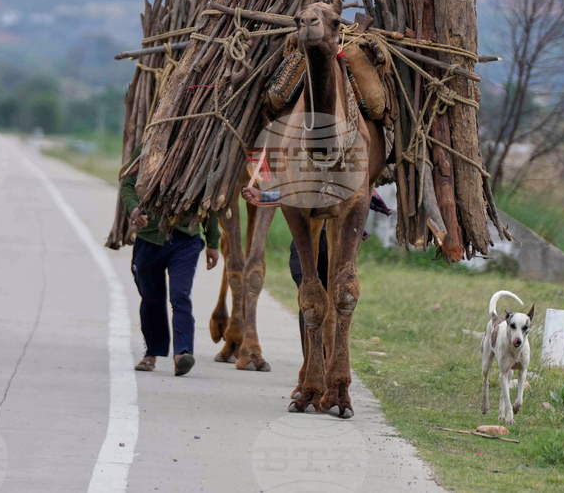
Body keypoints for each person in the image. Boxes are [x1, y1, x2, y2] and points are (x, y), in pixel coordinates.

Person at [240, 186, 390, 349]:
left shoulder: (349, 183)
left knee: (328, 302)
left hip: (333, 250)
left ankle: (323, 360)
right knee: (310, 302)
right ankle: (312, 363)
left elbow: (357, 199)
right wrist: (264, 196)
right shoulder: (311, 178)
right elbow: (297, 193)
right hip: (304, 248)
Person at [121, 144, 220, 376]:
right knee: (151, 297)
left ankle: (182, 353)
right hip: (149, 239)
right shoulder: (149, 146)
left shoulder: (203, 149)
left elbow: (210, 197)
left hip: (186, 238)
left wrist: (213, 242)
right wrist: (135, 210)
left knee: (180, 295)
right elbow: (127, 184)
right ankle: (151, 353)